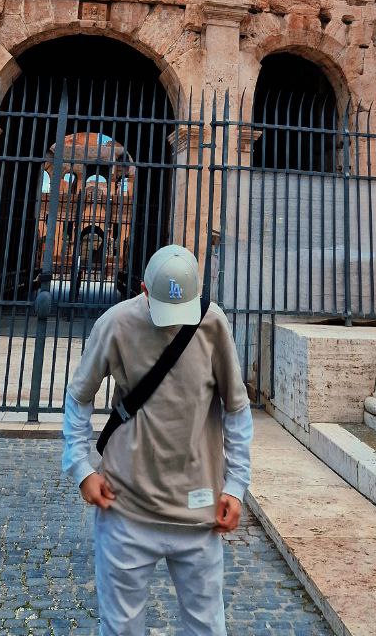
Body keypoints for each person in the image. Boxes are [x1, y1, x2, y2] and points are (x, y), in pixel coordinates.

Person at [62, 243, 253, 635]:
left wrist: (236, 486)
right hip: (127, 510)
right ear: (144, 292)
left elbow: (236, 407)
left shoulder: (212, 324)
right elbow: (79, 396)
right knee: (121, 629)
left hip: (198, 514)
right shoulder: (116, 324)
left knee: (207, 628)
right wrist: (80, 467)